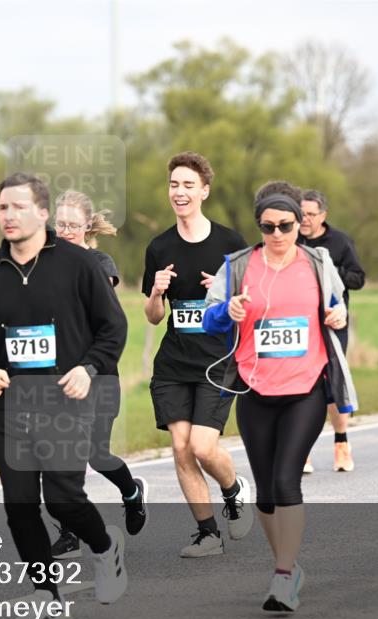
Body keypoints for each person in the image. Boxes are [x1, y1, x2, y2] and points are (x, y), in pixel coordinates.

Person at [0, 173, 129, 619]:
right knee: (19, 504)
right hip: (14, 406)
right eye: (2, 208)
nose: (9, 216)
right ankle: (45, 594)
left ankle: (103, 545)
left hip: (67, 403)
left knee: (63, 500)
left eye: (18, 207)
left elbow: (113, 328)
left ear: (41, 213)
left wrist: (88, 368)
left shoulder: (79, 265)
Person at [203, 191, 358, 612]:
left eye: (285, 226)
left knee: (288, 479)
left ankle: (284, 576)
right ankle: (285, 564)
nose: (277, 233)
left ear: (298, 226)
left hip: (306, 387)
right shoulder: (237, 266)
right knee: (266, 493)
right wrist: (227, 312)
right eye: (268, 226)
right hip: (253, 387)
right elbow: (208, 317)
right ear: (259, 227)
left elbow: (337, 306)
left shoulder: (318, 263)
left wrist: (338, 315)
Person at [142, 152, 253, 558]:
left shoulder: (230, 244)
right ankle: (207, 533)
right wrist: (156, 291)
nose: (180, 191)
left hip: (218, 362)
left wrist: (221, 293)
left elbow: (249, 304)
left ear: (204, 191)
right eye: (174, 184)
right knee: (180, 447)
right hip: (174, 363)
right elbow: (154, 318)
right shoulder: (159, 247)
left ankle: (233, 487)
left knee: (204, 448)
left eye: (188, 185)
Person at [50, 190, 147, 560]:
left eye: (73, 225)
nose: (66, 231)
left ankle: (132, 492)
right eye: (60, 224)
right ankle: (70, 531)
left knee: (96, 455)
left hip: (99, 374)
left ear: (87, 226)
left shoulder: (100, 263)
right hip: (59, 378)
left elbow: (102, 315)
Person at [298, 189, 366, 473]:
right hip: (301, 322)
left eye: (311, 214)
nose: (305, 219)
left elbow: (359, 278)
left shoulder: (339, 241)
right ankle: (302, 450)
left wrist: (332, 272)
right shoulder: (292, 239)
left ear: (323, 216)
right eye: (301, 213)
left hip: (333, 322)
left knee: (332, 382)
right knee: (302, 384)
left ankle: (341, 443)